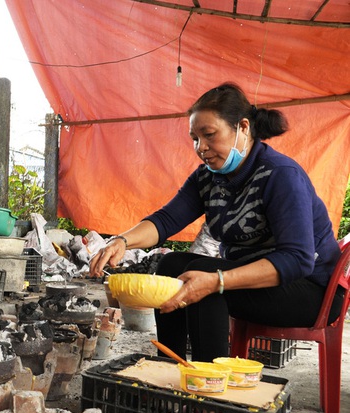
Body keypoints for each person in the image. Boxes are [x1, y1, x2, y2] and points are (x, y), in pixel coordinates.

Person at [89, 82, 344, 362]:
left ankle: (207, 394)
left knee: (204, 282)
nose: (201, 147)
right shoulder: (208, 178)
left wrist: (217, 281)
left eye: (209, 135)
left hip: (309, 291)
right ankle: (171, 367)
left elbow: (297, 259)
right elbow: (165, 220)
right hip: (256, 280)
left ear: (243, 128)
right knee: (170, 265)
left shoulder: (281, 175)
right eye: (195, 138)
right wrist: (122, 241)